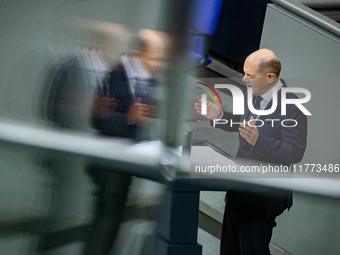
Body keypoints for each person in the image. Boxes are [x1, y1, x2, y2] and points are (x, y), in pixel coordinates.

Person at [195, 49, 307, 255]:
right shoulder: (254, 94)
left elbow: (294, 152)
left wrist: (259, 140)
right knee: (229, 250)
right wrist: (219, 116)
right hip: (239, 189)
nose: (244, 79)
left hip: (262, 197)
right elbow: (242, 123)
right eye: (244, 73)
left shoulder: (292, 108)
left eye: (250, 75)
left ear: (270, 77)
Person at [84, 29, 167, 255]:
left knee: (113, 220)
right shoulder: (116, 75)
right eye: (155, 58)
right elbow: (98, 119)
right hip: (109, 161)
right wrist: (129, 119)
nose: (157, 65)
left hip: (126, 160)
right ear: (141, 53)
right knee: (107, 221)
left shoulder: (146, 81)